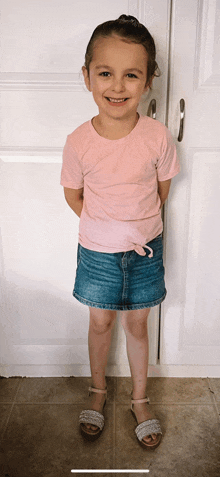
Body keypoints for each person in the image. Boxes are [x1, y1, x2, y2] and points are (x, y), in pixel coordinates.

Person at [60, 14, 180, 450]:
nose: (117, 86)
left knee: (138, 326)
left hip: (146, 250)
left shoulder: (157, 136)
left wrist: (136, 225)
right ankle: (97, 389)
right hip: (97, 252)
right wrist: (105, 228)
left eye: (131, 75)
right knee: (100, 322)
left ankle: (140, 398)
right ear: (88, 76)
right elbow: (74, 196)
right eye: (105, 73)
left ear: (148, 81)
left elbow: (161, 190)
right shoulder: (79, 141)